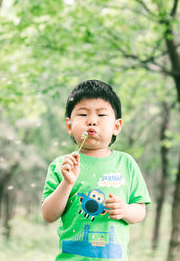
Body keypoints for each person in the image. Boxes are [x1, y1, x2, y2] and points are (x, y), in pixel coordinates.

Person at [42, 79, 151, 260]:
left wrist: (124, 210)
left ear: (116, 126)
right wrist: (67, 183)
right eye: (83, 115)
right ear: (69, 125)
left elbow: (140, 211)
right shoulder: (62, 165)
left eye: (101, 115)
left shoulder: (126, 163)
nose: (92, 121)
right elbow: (48, 214)